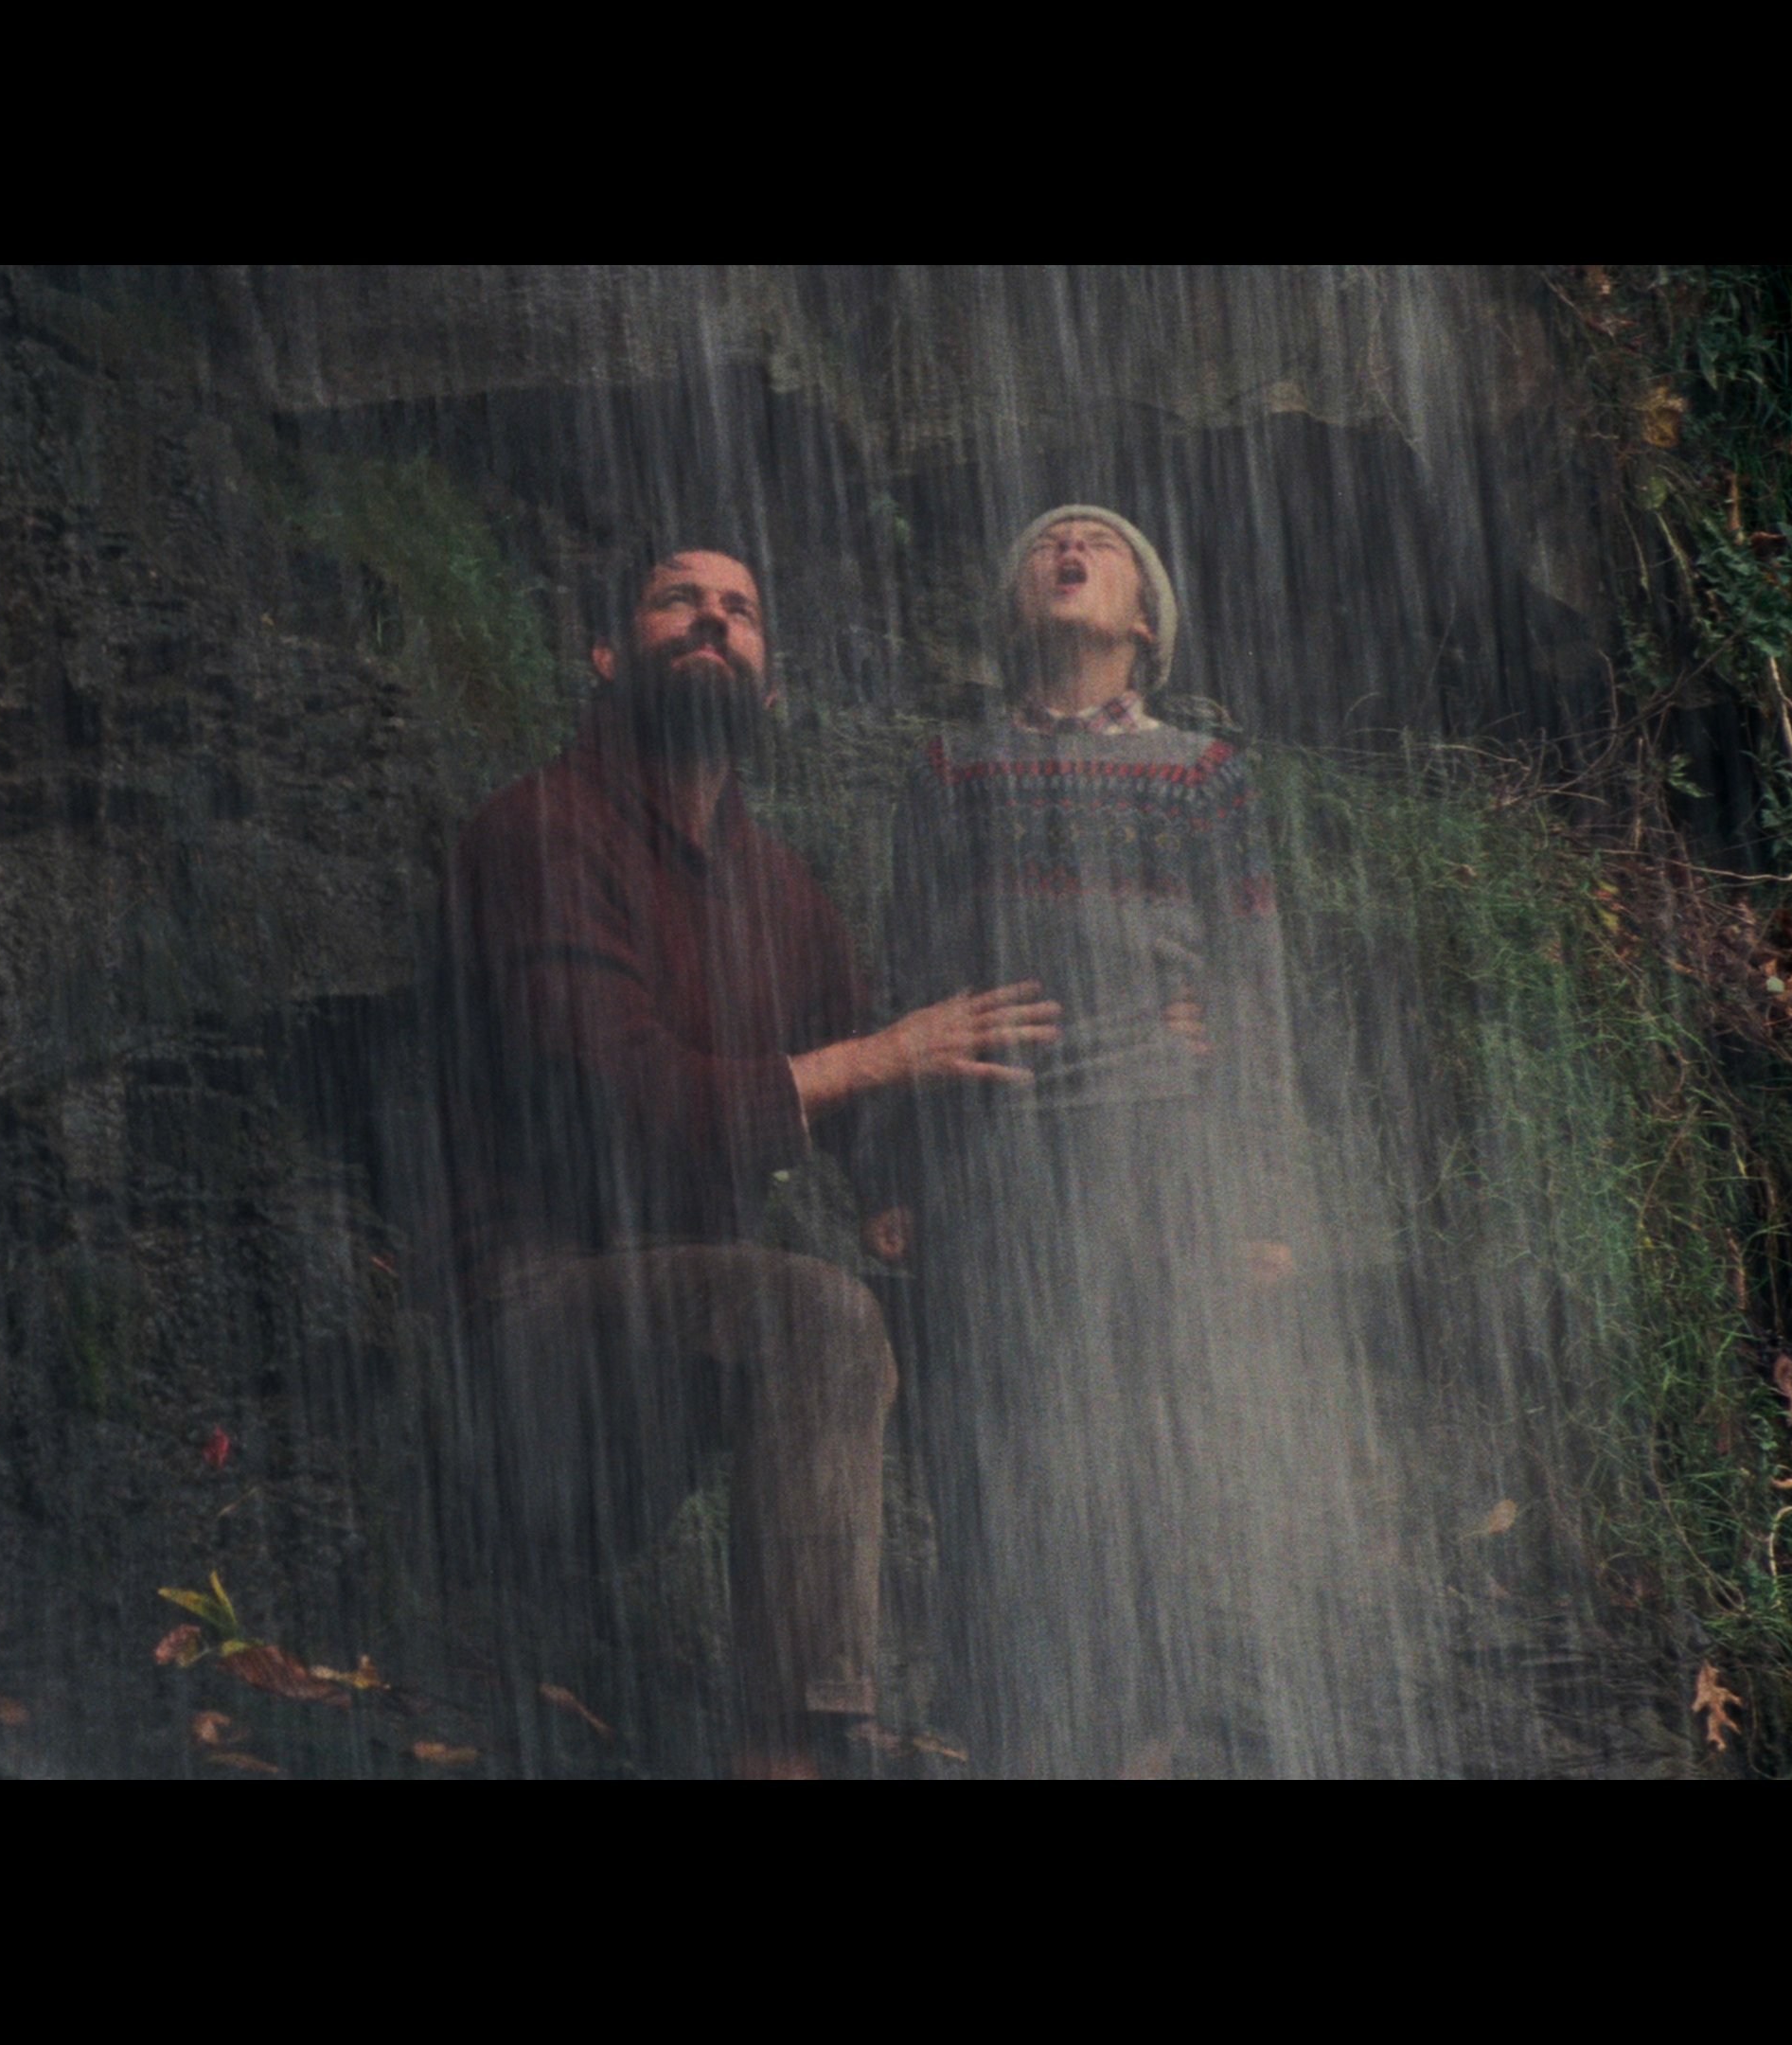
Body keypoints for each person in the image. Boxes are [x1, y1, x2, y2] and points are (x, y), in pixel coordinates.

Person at [440, 542, 1058, 1778]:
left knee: (995, 1326)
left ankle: (1047, 1719)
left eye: (741, 610)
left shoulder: (781, 888)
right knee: (817, 1316)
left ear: (769, 686)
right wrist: (876, 1061)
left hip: (694, 1313)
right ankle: (791, 1755)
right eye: (679, 600)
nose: (712, 620)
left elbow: (879, 1099)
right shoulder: (538, 829)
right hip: (530, 1318)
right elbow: (623, 1099)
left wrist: (914, 1201)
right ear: (607, 654)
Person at [863, 505, 1298, 1776]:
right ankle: (1003, 1730)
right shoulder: (952, 770)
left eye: (1101, 545)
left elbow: (1252, 981)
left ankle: (1145, 1739)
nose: (1070, 549)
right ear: (1013, 609)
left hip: (1157, 1143)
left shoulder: (1206, 774)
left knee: (1149, 1435)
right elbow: (910, 966)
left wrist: (1264, 1196)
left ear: (1147, 624)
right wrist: (892, 1170)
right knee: (990, 1442)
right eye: (1049, 541)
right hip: (992, 1145)